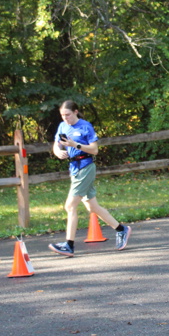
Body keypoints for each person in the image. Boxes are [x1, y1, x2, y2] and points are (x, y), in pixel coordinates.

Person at [48, 100, 131, 256]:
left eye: (68, 115)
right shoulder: (63, 126)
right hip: (74, 168)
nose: (65, 118)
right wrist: (57, 151)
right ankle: (121, 229)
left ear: (76, 112)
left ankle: (69, 245)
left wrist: (75, 145)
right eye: (62, 115)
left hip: (85, 167)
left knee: (70, 206)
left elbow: (94, 150)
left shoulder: (85, 126)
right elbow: (57, 144)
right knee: (92, 207)